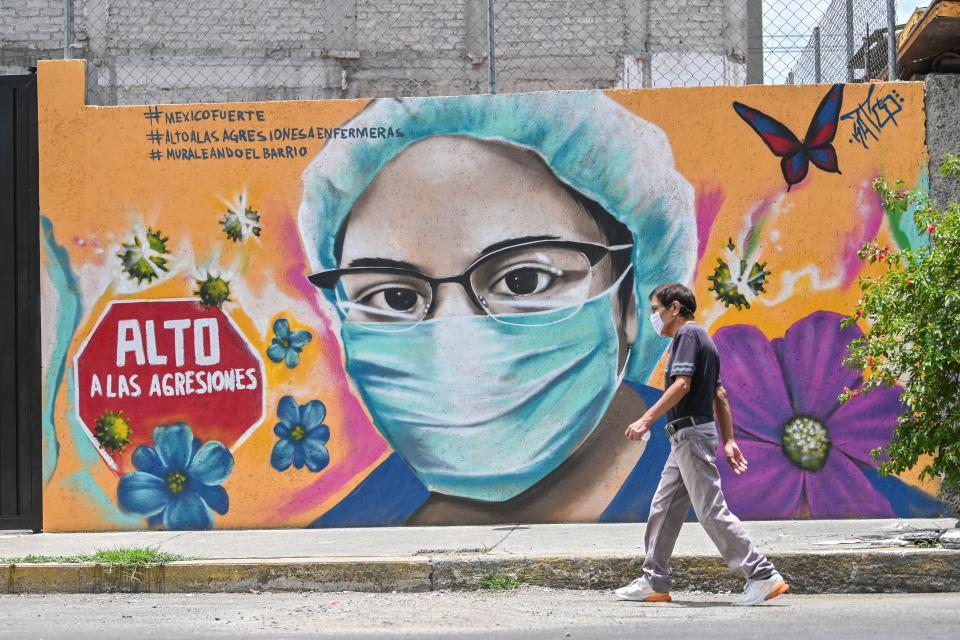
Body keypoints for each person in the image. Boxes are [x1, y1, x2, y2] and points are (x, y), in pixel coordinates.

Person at [297, 91, 696, 525]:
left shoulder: (711, 482)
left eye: (523, 280)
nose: (454, 348)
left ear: (630, 302)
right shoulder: (359, 520)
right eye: (395, 297)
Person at [616, 283, 790, 606]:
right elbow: (719, 394)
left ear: (676, 308)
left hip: (691, 435)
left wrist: (645, 420)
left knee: (710, 510)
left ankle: (762, 574)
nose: (654, 317)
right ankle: (654, 581)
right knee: (663, 507)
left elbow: (683, 384)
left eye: (657, 309)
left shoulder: (686, 336)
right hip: (686, 437)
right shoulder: (705, 340)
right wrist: (729, 441)